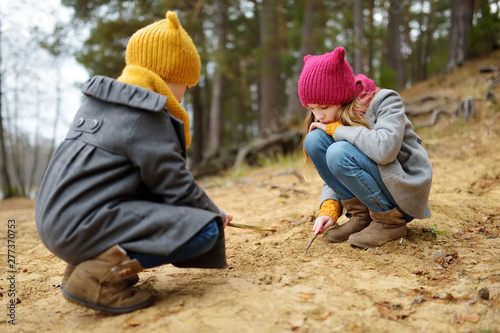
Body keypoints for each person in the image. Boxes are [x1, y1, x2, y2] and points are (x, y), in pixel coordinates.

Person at [35, 11, 232, 315]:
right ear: (169, 76)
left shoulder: (98, 103)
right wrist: (212, 213)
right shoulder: (146, 114)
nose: (185, 94)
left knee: (189, 218)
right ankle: (97, 275)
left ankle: (85, 266)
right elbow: (174, 183)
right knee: (204, 231)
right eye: (186, 84)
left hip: (54, 220)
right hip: (81, 226)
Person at [298, 46, 432, 249]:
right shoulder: (332, 116)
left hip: (402, 190)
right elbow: (335, 167)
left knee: (338, 150)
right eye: (312, 108)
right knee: (314, 140)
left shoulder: (385, 101)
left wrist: (337, 130)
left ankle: (389, 222)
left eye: (324, 107)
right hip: (373, 186)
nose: (319, 116)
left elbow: (384, 150)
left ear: (341, 96)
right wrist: (330, 207)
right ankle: (362, 216)